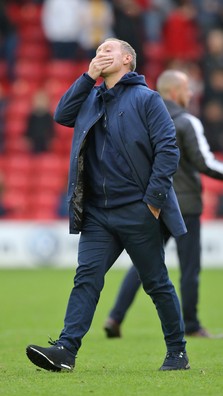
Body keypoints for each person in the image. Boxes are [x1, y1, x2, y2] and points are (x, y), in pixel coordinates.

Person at [26, 38, 190, 372]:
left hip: (138, 209)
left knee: (156, 283)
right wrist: (87, 77)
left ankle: (177, 352)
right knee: (86, 278)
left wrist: (153, 203)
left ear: (128, 59)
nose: (102, 54)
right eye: (98, 51)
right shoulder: (90, 96)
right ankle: (65, 351)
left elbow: (168, 149)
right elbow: (61, 114)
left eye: (109, 50)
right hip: (98, 213)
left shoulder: (148, 99)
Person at [104, 69, 223, 340]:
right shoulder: (186, 121)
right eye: (187, 89)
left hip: (154, 202)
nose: (190, 94)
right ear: (174, 91)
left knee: (144, 263)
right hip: (186, 204)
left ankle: (115, 316)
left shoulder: (143, 118)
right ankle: (191, 325)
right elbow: (204, 161)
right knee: (190, 266)